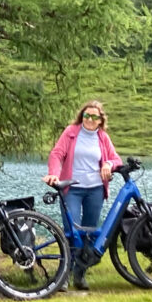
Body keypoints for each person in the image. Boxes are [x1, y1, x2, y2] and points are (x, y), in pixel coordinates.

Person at [43, 100, 123, 290]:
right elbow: (56, 154)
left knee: (88, 234)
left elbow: (116, 159)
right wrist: (54, 173)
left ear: (100, 120)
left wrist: (108, 165)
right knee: (71, 232)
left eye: (94, 116)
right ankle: (63, 277)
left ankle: (80, 275)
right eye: (87, 115)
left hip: (95, 190)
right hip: (72, 189)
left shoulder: (103, 137)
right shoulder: (71, 132)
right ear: (82, 116)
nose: (90, 119)